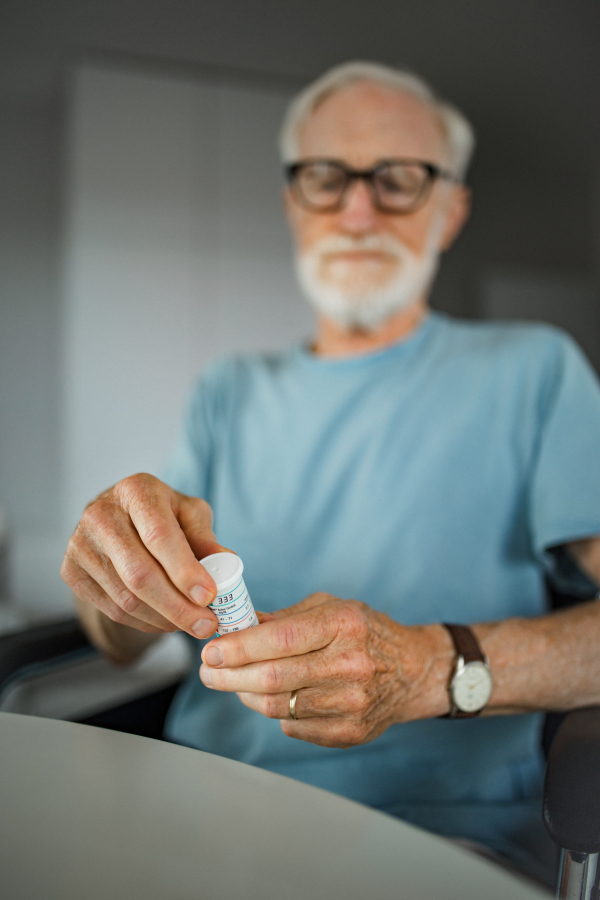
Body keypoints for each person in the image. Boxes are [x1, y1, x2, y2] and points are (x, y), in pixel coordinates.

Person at [62, 61, 600, 884]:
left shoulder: (537, 373)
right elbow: (123, 640)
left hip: (439, 835)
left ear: (450, 209)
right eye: (326, 177)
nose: (357, 209)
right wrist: (114, 583)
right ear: (292, 201)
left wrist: (430, 667)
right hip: (190, 811)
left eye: (399, 178)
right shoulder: (226, 390)